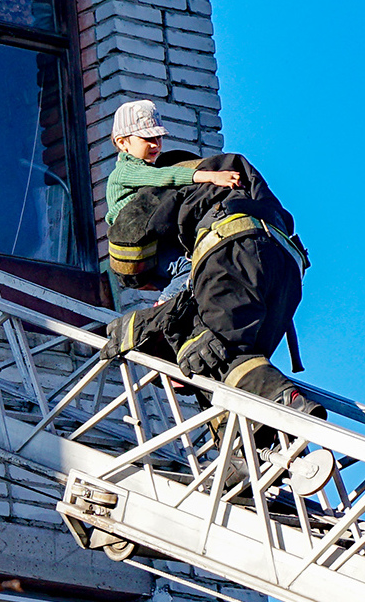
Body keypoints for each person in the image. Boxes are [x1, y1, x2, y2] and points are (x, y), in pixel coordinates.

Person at [102, 151, 324, 422]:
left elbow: (131, 235)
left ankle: (285, 402)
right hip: (286, 277)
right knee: (224, 363)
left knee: (208, 345)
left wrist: (138, 325)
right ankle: (257, 451)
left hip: (236, 254)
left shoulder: (177, 189)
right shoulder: (242, 189)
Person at [103, 99, 242, 225]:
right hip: (133, 228)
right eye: (147, 138)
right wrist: (213, 177)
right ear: (122, 143)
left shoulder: (148, 167)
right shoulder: (125, 170)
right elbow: (164, 176)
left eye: (159, 138)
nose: (156, 145)